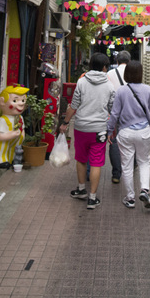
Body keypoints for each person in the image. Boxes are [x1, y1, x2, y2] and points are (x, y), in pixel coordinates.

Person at [59, 53, 114, 210]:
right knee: (96, 162)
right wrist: (113, 128)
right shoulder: (109, 85)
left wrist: (65, 123)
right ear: (104, 67)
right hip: (100, 129)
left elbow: (74, 105)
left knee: (82, 159)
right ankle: (92, 198)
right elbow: (112, 109)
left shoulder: (82, 82)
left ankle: (81, 189)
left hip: (82, 127)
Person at [107, 60, 150, 210]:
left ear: (126, 74)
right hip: (143, 132)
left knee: (126, 165)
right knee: (144, 162)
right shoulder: (148, 90)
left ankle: (130, 198)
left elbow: (115, 114)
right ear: (140, 73)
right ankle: (144, 190)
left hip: (125, 133)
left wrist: (109, 130)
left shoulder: (121, 91)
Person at [105, 50, 132, 184]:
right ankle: (131, 168)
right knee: (131, 140)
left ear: (116, 61)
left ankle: (116, 174)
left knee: (114, 141)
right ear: (129, 61)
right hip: (131, 112)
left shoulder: (110, 74)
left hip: (115, 111)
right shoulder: (134, 73)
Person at [0, 84, 28, 168]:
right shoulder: (3, 120)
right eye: (15, 101)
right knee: (2, 149)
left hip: (15, 144)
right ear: (2, 101)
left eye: (23, 100)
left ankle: (13, 159)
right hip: (3, 145)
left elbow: (22, 128)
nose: (21, 104)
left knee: (13, 151)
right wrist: (11, 135)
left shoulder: (20, 117)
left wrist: (22, 135)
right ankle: (0, 161)